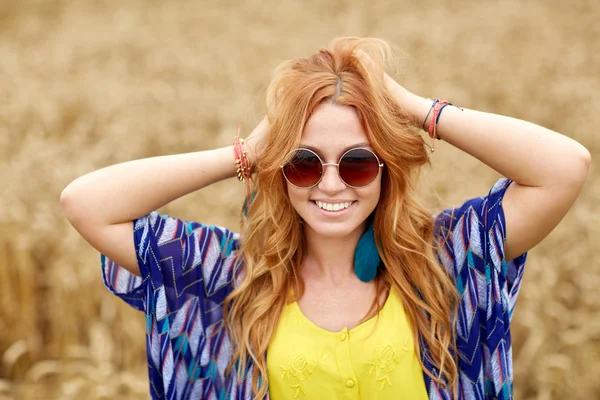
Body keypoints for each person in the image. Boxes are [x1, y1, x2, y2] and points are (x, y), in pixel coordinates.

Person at [60, 37, 591, 400]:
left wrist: (412, 107)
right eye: (303, 162)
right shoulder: (231, 276)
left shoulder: (448, 260)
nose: (331, 183)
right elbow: (86, 203)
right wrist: (245, 153)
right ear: (279, 170)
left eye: (358, 162)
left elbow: (565, 167)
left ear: (386, 170)